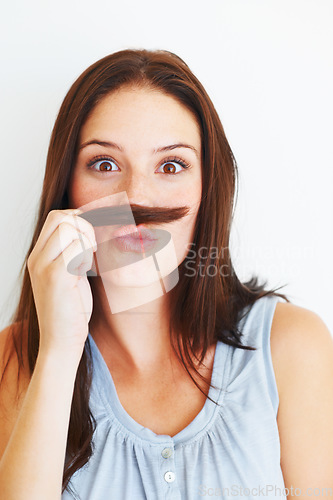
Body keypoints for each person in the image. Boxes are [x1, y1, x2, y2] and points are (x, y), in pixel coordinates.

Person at [0, 49, 332, 500]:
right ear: (66, 187)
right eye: (105, 163)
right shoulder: (15, 362)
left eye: (171, 166)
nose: (136, 195)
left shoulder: (291, 348)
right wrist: (58, 352)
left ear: (206, 190)